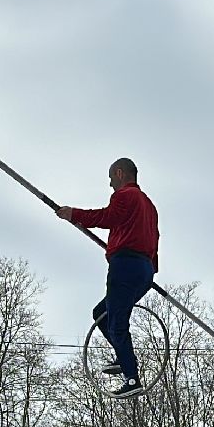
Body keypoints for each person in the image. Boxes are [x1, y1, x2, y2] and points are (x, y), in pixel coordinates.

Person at [59, 157, 159, 399]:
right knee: (102, 313)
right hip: (144, 269)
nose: (110, 184)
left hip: (126, 264)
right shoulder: (149, 205)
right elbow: (153, 236)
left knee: (117, 320)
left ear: (120, 172)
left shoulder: (126, 196)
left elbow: (106, 217)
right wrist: (149, 269)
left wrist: (74, 214)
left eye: (111, 178)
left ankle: (131, 377)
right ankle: (124, 359)